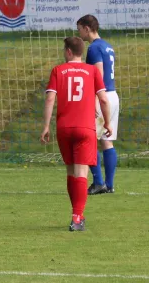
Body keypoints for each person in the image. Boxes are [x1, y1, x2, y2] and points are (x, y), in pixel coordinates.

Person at [41, 36, 112, 231]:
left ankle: (76, 214)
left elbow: (49, 100)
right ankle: (77, 217)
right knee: (82, 173)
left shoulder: (58, 70)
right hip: (85, 128)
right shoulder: (92, 71)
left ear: (69, 51)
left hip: (64, 128)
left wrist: (46, 126)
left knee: (71, 172)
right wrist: (107, 122)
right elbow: (104, 100)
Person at [77, 14, 120, 195]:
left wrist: (94, 100)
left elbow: (98, 75)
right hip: (113, 95)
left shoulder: (94, 48)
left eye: (79, 29)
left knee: (90, 140)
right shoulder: (107, 46)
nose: (78, 33)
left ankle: (98, 182)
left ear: (87, 28)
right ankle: (109, 185)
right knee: (106, 140)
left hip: (101, 96)